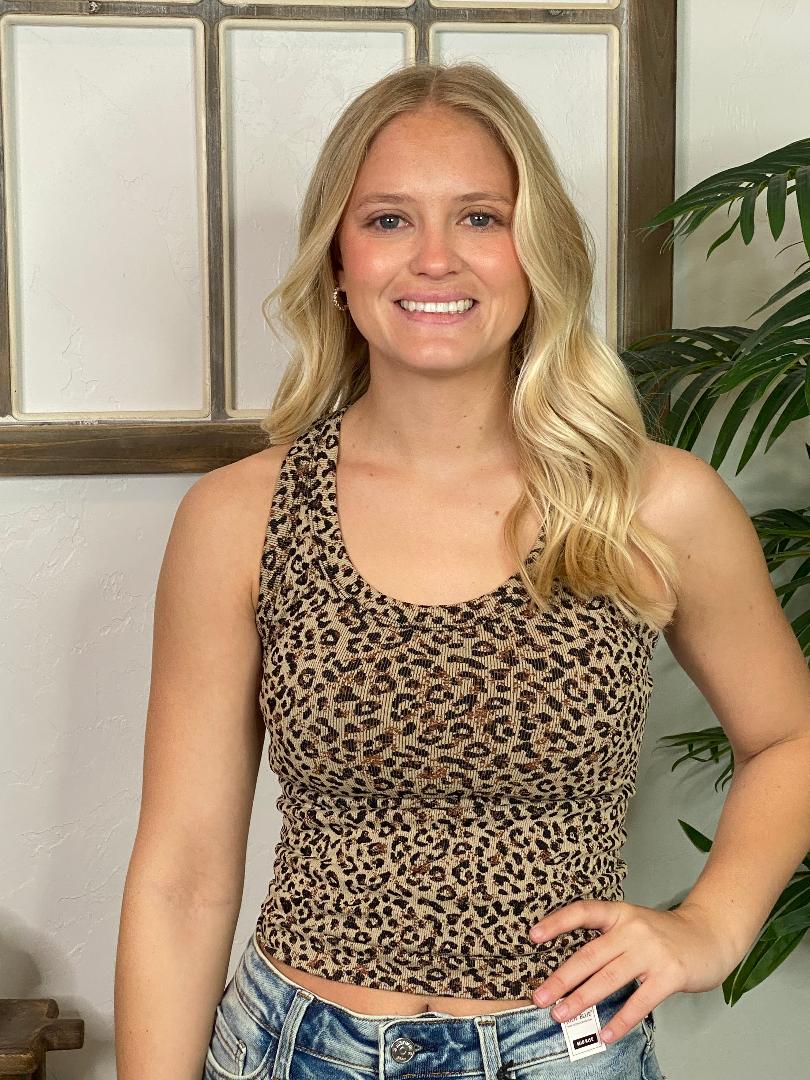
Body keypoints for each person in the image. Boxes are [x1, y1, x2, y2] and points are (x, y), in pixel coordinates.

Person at [114, 61, 810, 1080]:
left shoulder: (649, 503)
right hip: (292, 1051)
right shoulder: (240, 518)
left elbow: (791, 737)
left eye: (481, 218)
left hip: (564, 1052)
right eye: (389, 220)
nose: (435, 258)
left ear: (538, 254)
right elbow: (180, 876)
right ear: (338, 259)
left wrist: (712, 925)